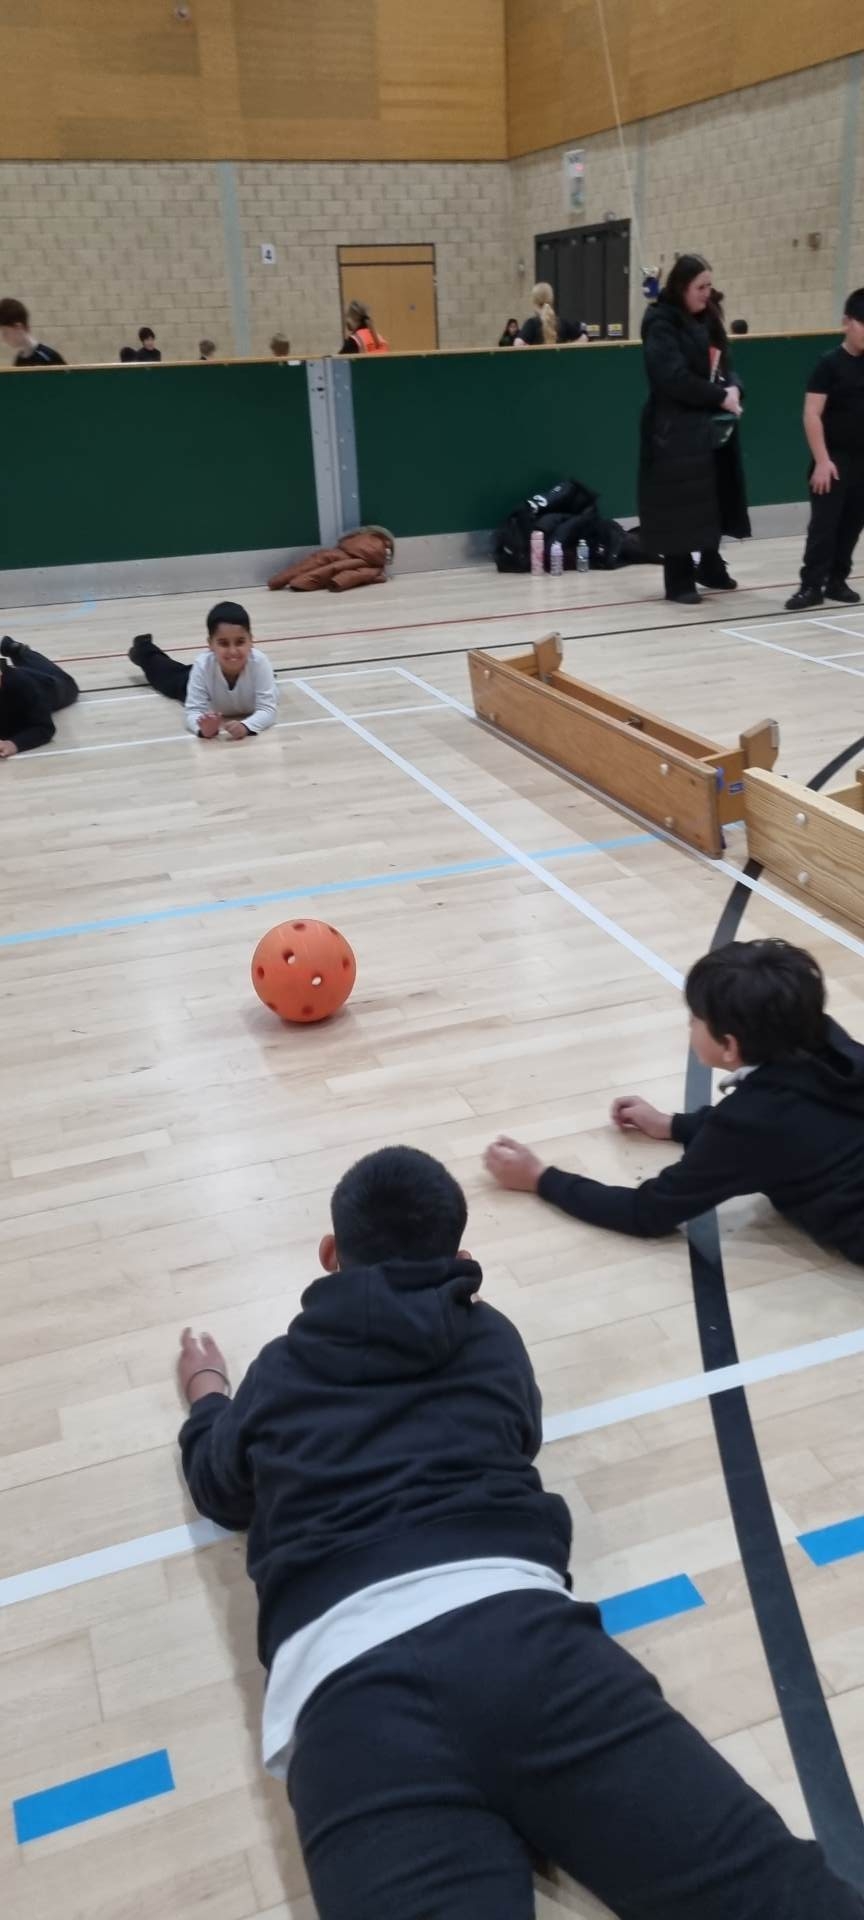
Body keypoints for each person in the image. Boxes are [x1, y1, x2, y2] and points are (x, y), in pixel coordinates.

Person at [176, 1142, 864, 1920]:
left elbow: (220, 1492)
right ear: (460, 1257)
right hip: (530, 1643)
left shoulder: (279, 1370)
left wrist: (208, 1397)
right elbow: (521, 1435)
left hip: (346, 1692)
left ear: (331, 1254)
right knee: (781, 1897)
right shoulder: (493, 1338)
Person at [485, 938, 864, 1267]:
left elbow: (647, 1213)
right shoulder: (829, 1043)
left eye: (695, 1019)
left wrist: (540, 1178)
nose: (689, 1026)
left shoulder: (752, 1121)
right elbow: (790, 1115)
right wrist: (672, 1125)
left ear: (729, 1046)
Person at [639, 254, 749, 605]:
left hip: (710, 426)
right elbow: (671, 378)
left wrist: (734, 388)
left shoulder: (710, 316)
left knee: (714, 496)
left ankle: (711, 564)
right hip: (673, 428)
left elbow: (726, 363)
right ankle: (679, 578)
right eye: (700, 287)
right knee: (679, 504)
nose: (706, 293)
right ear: (682, 287)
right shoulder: (659, 322)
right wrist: (719, 396)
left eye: (709, 286)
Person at [785, 288, 864, 612]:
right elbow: (812, 413)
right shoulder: (829, 364)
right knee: (824, 526)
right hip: (833, 460)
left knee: (852, 525)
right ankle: (811, 585)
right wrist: (822, 460)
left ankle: (836, 580)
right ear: (847, 322)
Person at [128, 601, 277, 739]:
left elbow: (268, 710)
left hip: (220, 673)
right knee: (163, 673)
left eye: (240, 642)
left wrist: (246, 726)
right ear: (210, 644)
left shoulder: (260, 663)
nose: (232, 651)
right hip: (196, 680)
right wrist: (202, 729)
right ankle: (142, 648)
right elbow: (192, 712)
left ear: (251, 640)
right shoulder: (202, 665)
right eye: (223, 643)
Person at [0, 637, 79, 755]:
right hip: (19, 675)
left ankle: (18, 650)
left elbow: (44, 728)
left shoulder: (21, 685)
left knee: (68, 684)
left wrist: (13, 744)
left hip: (48, 686)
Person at [514, 282, 588, 347]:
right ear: (552, 300)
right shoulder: (563, 323)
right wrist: (565, 347)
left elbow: (518, 344)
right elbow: (583, 339)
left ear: (534, 302)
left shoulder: (531, 324)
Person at [0, 297, 65, 367]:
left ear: (18, 328)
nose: (3, 338)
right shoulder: (18, 360)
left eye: (5, 332)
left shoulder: (48, 356)